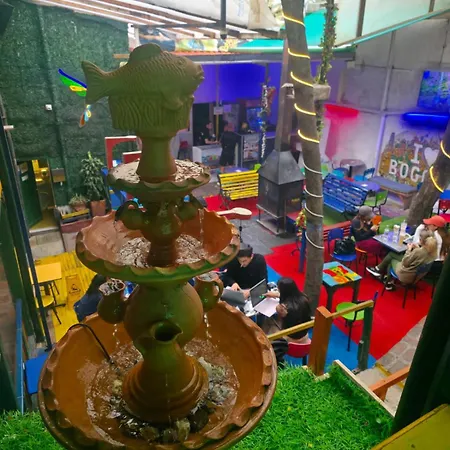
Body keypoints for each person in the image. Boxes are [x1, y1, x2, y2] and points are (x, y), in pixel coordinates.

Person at [367, 231, 437, 291]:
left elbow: (405, 263)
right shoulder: (434, 252)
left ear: (421, 240)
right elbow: (420, 258)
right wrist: (418, 248)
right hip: (417, 276)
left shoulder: (418, 252)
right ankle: (381, 273)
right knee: (393, 255)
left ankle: (387, 281)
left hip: (406, 276)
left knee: (391, 258)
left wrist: (408, 250)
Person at [264, 277, 311, 344]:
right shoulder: (304, 298)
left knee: (269, 320)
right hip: (304, 331)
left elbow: (278, 310)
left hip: (291, 336)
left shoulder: (283, 308)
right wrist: (277, 295)